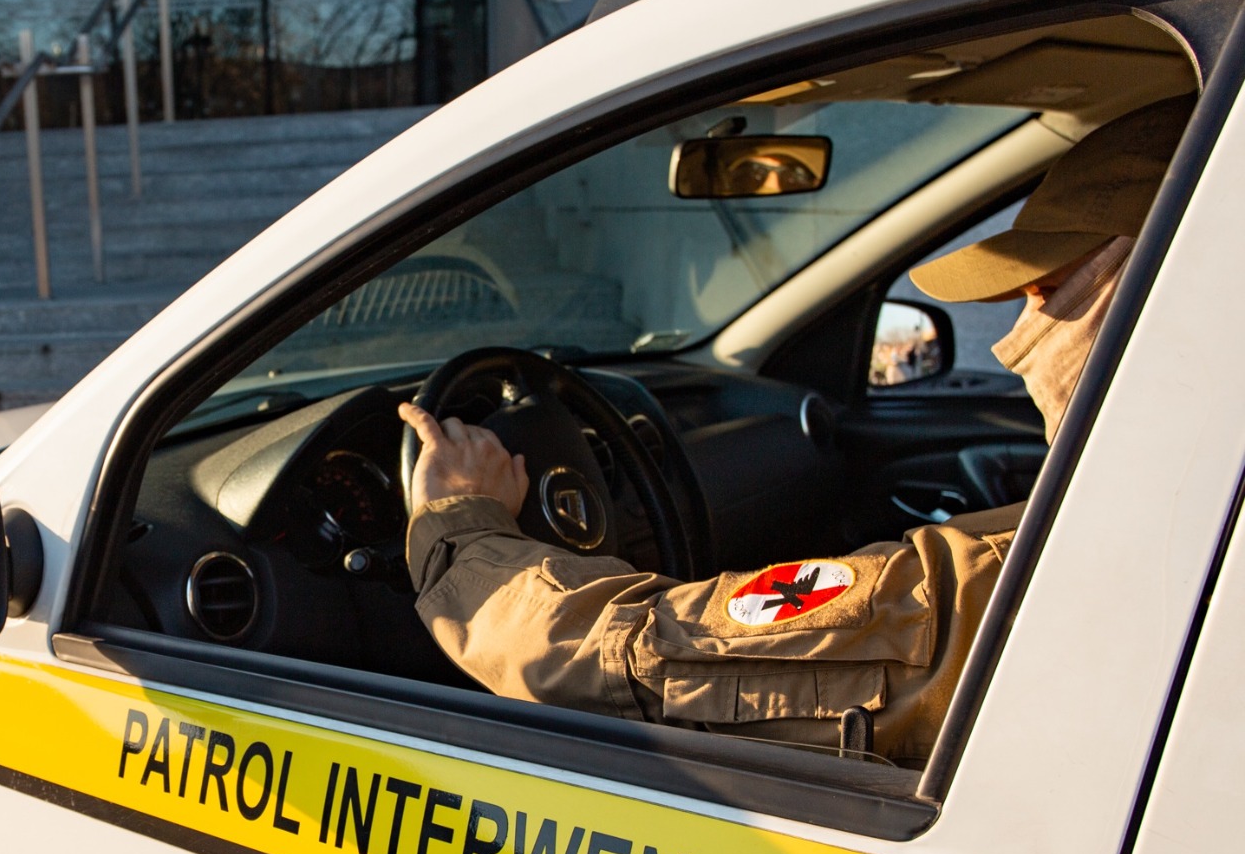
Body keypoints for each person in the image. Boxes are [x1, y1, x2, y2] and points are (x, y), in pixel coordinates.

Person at [396, 96, 1191, 767]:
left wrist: (462, 531)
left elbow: (644, 657)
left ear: (1169, 290)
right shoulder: (1163, 524)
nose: (1024, 332)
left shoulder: (1032, 580)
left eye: (1049, 291)